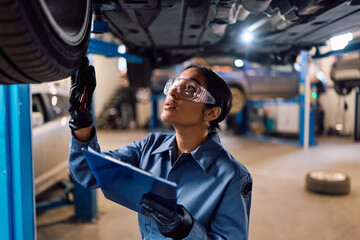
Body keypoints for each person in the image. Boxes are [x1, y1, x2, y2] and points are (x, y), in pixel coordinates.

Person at [68, 57, 253, 239]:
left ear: (211, 112)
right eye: (174, 84)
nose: (172, 92)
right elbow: (88, 172)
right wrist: (81, 122)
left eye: (189, 88)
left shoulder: (233, 176)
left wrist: (188, 231)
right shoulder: (149, 147)